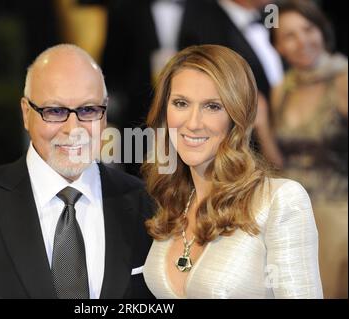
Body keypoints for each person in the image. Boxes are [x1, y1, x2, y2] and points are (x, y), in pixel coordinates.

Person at [0, 44, 154, 299]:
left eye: (88, 110)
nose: (73, 129)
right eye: (55, 111)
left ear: (104, 114)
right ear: (26, 113)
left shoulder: (149, 205)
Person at [141, 44, 323, 298]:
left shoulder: (279, 200)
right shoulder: (173, 203)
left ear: (238, 116)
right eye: (181, 103)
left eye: (212, 106)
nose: (193, 123)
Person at [270, 0, 348, 298]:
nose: (302, 41)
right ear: (279, 47)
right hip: (290, 218)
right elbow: (278, 163)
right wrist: (262, 125)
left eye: (308, 29)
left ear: (322, 30)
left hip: (336, 218)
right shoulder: (282, 90)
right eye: (290, 35)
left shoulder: (343, 79)